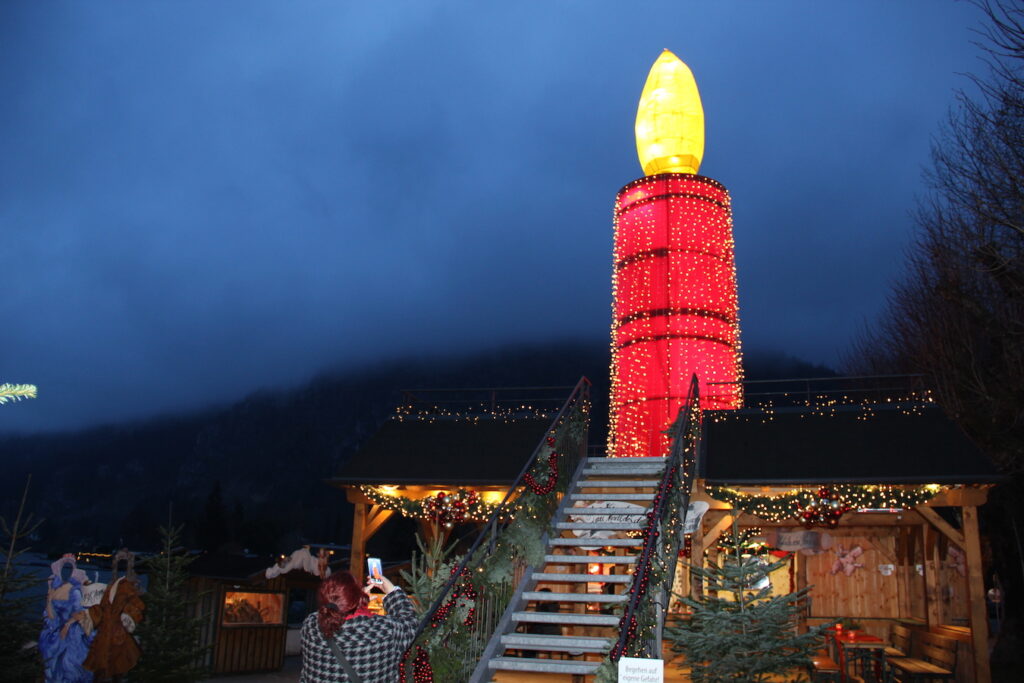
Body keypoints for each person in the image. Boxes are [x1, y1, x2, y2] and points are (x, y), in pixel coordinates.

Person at [300, 571, 417, 683]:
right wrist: (392, 591)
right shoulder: (384, 631)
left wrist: (356, 603)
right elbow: (410, 622)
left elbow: (330, 612)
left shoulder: (310, 627)